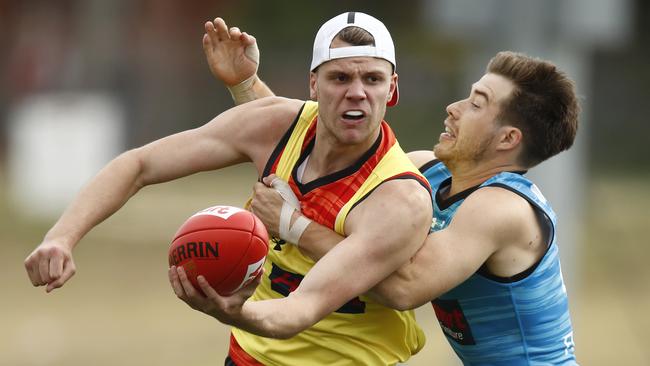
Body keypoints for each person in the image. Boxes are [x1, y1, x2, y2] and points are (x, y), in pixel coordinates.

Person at [24, 12, 433, 366]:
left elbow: (298, 311)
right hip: (248, 356)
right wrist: (62, 236)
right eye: (340, 77)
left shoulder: (399, 197)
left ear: (392, 90)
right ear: (313, 84)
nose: (357, 91)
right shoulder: (276, 125)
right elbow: (139, 164)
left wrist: (232, 311)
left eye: (373, 79)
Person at [205, 18, 580, 365]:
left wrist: (291, 224)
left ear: (508, 139)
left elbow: (403, 286)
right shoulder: (424, 173)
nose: (453, 108)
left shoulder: (502, 209)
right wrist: (247, 86)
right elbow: (318, 144)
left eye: (476, 104)